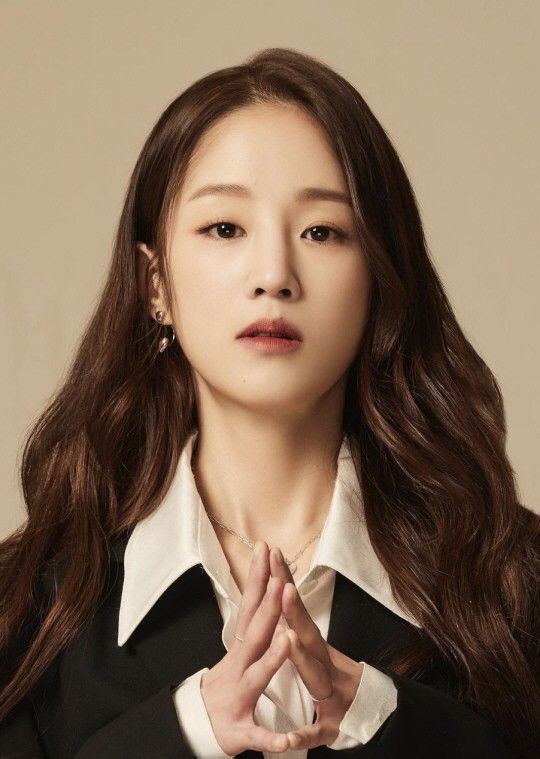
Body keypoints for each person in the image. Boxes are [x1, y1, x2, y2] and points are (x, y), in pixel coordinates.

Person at [0, 47, 538, 759]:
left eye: (322, 231)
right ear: (154, 285)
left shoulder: (512, 582)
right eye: (225, 228)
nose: (275, 274)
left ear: (379, 278)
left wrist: (384, 718)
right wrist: (184, 730)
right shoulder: (30, 607)